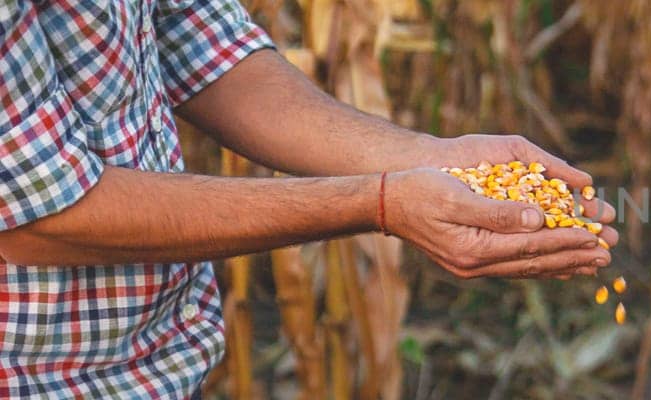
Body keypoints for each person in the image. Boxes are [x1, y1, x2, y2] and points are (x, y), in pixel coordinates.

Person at [0, 0, 617, 396]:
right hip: (40, 380)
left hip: (157, 366)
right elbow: (43, 214)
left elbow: (197, 40)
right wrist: (380, 202)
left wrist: (427, 158)